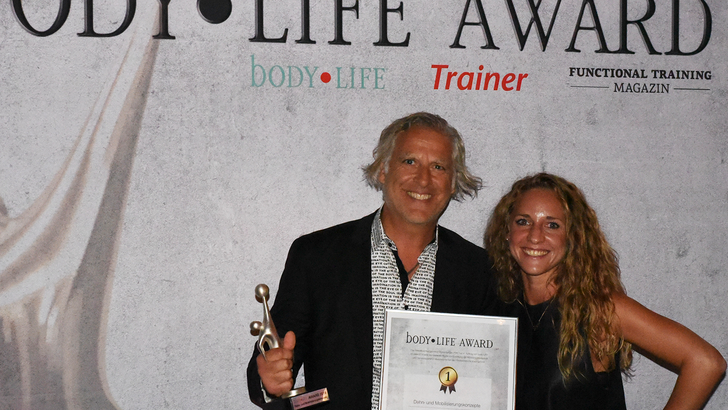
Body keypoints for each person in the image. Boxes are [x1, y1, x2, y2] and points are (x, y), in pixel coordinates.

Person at [247, 112, 500, 410]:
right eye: (409, 161)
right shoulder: (317, 257)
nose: (423, 179)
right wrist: (270, 381)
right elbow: (273, 371)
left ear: (453, 182)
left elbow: (488, 385)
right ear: (383, 170)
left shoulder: (480, 272)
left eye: (438, 167)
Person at [484, 172, 726, 410]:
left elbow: (705, 362)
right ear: (506, 231)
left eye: (552, 225)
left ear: (573, 237)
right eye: (523, 221)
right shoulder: (499, 308)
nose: (535, 236)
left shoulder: (597, 309)